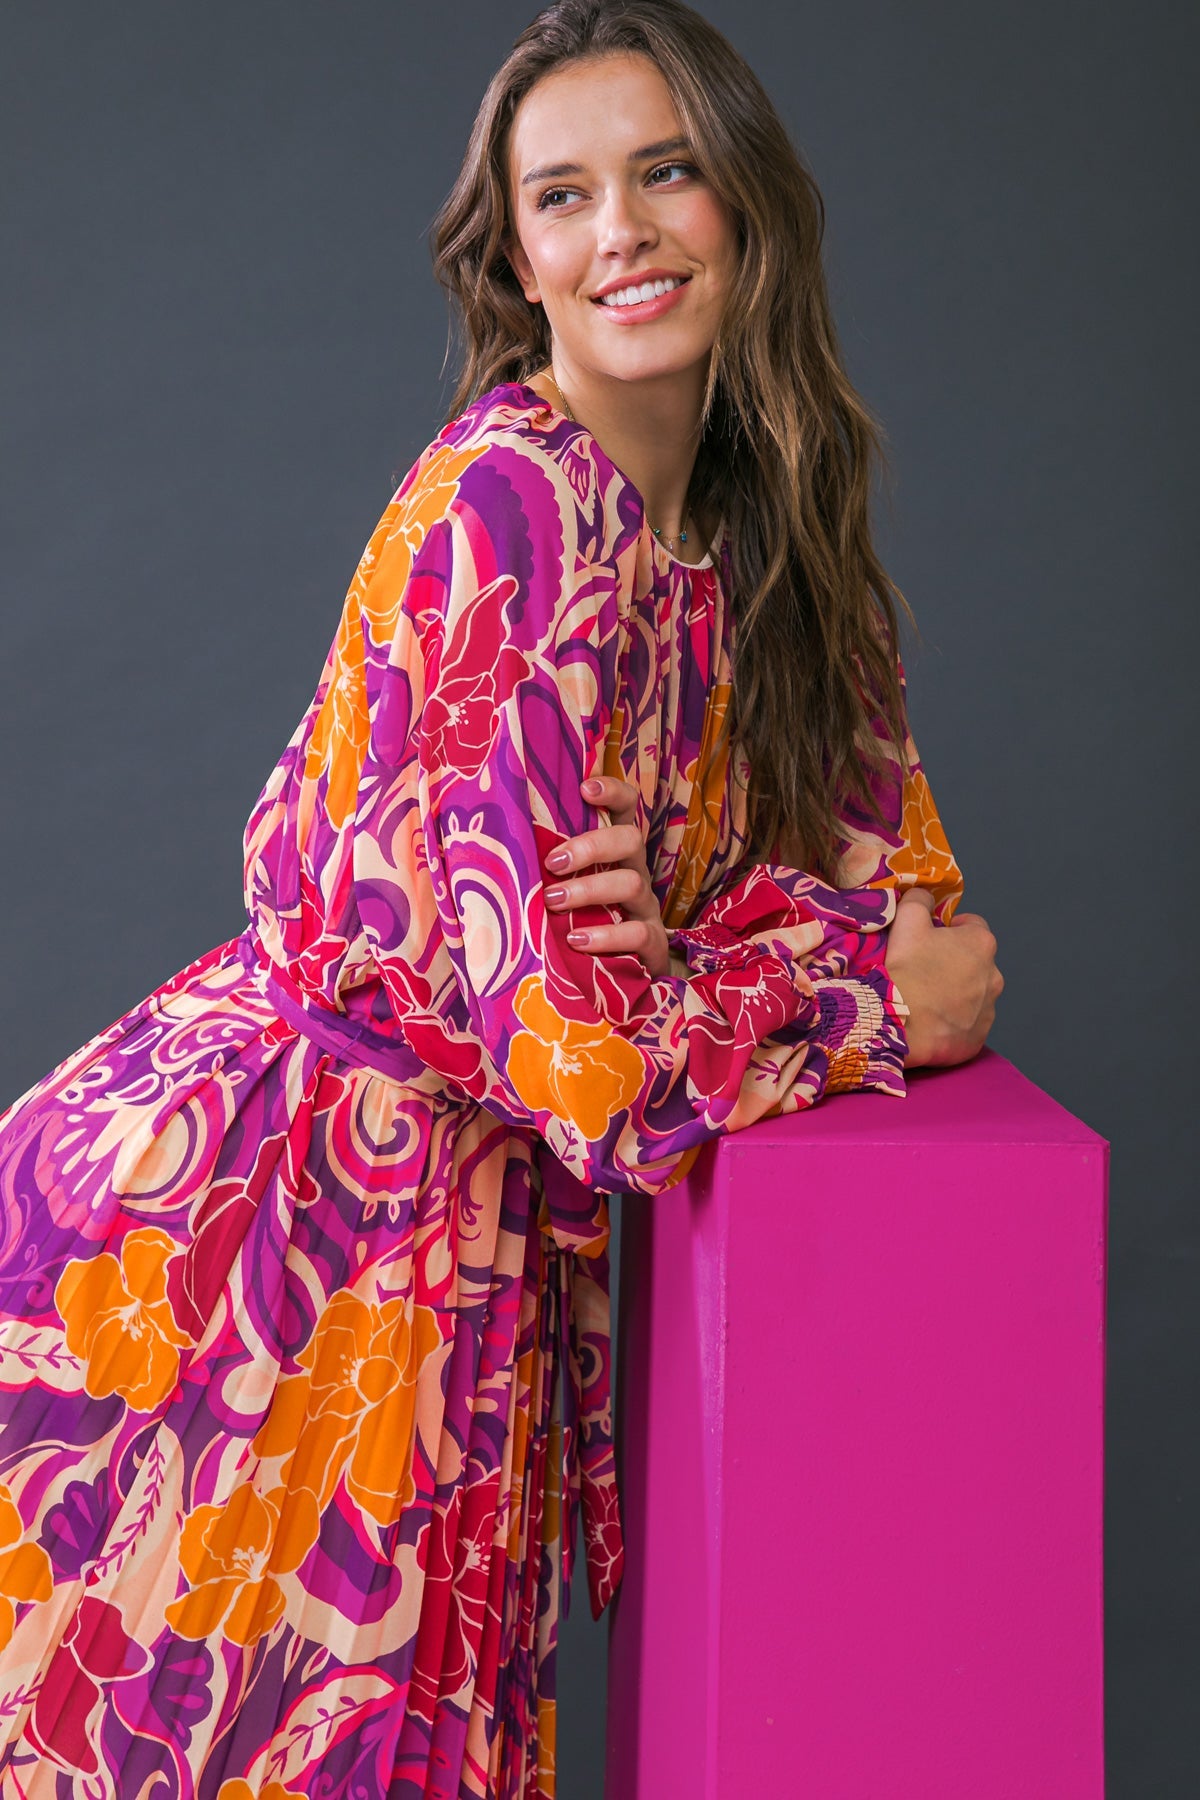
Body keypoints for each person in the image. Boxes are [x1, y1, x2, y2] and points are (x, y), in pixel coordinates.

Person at [0, 1, 1002, 1794]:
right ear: (518, 260)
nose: (622, 230)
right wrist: (837, 999)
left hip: (450, 1282)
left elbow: (918, 915)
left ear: (747, 205)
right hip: (261, 1250)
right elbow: (589, 1062)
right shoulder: (514, 509)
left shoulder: (777, 552)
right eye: (564, 196)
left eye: (665, 171)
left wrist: (688, 956)